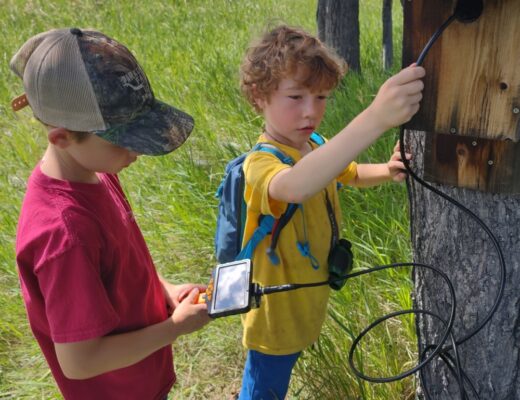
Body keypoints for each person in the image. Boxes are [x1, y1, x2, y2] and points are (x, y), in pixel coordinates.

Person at [11, 28, 210, 400]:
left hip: (142, 377)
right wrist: (174, 328)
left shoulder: (96, 172)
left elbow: (118, 266)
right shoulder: (65, 235)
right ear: (62, 137)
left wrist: (164, 290)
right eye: (124, 140)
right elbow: (79, 361)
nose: (137, 152)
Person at [236, 25, 425, 399]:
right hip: (274, 312)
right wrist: (374, 118)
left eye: (321, 97)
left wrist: (386, 172)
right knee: (265, 385)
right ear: (259, 96)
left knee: (279, 375)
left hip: (305, 299)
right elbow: (293, 187)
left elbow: (348, 173)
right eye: (296, 96)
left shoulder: (314, 145)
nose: (311, 111)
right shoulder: (260, 163)